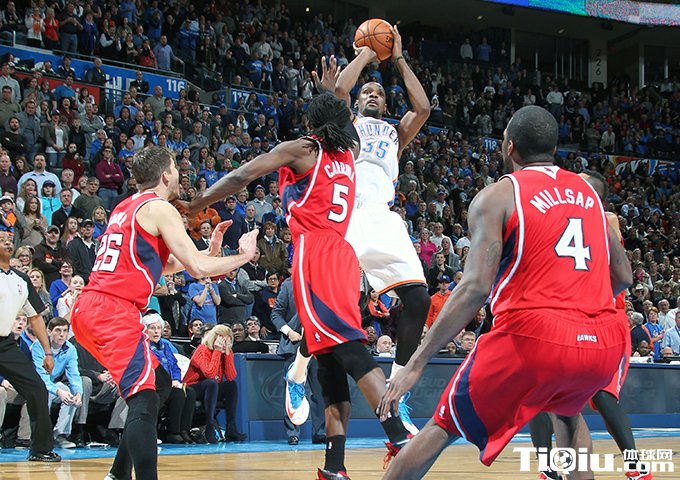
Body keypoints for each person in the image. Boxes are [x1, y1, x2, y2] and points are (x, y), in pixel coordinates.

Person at [379, 106, 632, 480]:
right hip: (602, 342)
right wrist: (578, 302)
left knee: (442, 426)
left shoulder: (497, 195)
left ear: (509, 147)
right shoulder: (590, 194)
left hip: (535, 336)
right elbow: (623, 276)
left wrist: (416, 363)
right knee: (567, 416)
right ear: (553, 148)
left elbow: (475, 287)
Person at [186, 93, 411, 480]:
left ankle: (399, 438)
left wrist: (197, 203)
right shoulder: (350, 153)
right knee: (330, 363)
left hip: (316, 253)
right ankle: (335, 467)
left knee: (348, 348)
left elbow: (242, 176)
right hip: (345, 255)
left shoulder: (304, 149)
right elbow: (344, 125)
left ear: (311, 123)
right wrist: (337, 95)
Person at [70, 146, 259, 480]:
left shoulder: (125, 207)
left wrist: (210, 251)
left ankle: (117, 473)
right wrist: (243, 257)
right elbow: (196, 268)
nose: (179, 176)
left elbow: (164, 263)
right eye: (176, 169)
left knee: (157, 383)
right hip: (113, 310)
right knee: (144, 397)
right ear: (166, 174)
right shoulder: (160, 207)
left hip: (90, 307)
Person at [331, 31, 432, 435]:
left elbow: (422, 107)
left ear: (387, 105)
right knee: (340, 305)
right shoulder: (347, 124)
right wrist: (366, 54)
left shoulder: (395, 133)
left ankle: (397, 390)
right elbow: (340, 88)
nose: (372, 95)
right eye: (367, 92)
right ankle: (299, 369)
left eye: (379, 93)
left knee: (419, 300)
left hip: (384, 217)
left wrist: (400, 59)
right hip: (348, 214)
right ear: (358, 102)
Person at [0, 231, 61, 462]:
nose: (7, 242)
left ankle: (40, 449)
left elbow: (35, 317)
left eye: (9, 240)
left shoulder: (20, 279)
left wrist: (47, 352)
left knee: (37, 389)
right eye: (1, 240)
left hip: (5, 344)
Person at [183, 324, 245, 443]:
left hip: (212, 387)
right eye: (222, 339)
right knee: (211, 383)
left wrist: (227, 354)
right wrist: (217, 351)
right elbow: (209, 374)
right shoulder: (202, 350)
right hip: (193, 387)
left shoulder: (226, 351)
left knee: (231, 385)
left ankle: (231, 428)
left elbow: (231, 376)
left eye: (227, 340)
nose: (224, 343)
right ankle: (209, 426)